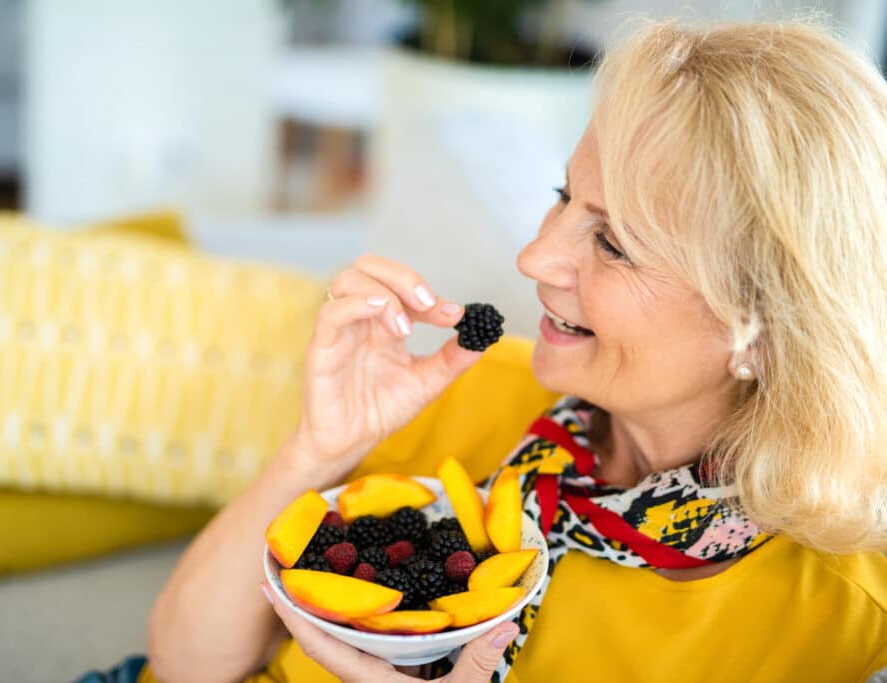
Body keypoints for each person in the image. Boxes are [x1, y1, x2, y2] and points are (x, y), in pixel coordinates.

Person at [145, 19, 887, 683]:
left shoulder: (842, 613)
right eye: (562, 196)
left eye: (613, 242)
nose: (534, 257)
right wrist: (319, 448)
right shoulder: (465, 386)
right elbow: (181, 664)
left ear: (763, 329)